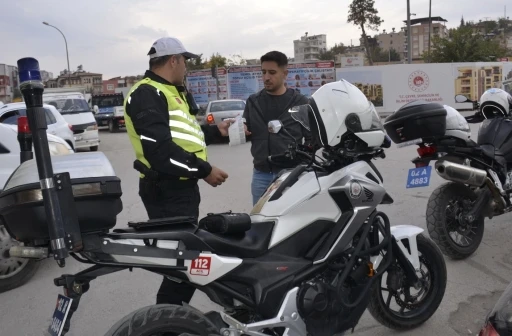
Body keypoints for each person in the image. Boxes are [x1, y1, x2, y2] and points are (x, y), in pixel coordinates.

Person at [124, 36, 230, 306]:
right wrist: (204, 170)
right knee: (184, 263)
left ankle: (168, 319)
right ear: (173, 60)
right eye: (185, 62)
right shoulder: (147, 93)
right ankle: (166, 321)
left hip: (179, 188)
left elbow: (183, 136)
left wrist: (215, 132)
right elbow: (159, 151)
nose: (186, 68)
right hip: (166, 189)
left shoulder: (169, 91)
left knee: (183, 261)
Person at [219, 51, 312, 205]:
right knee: (259, 222)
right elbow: (247, 132)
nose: (266, 77)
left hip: (291, 174)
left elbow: (311, 138)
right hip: (261, 174)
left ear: (285, 74)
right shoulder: (253, 101)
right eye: (263, 72)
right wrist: (239, 129)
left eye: (272, 72)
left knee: (292, 222)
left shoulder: (300, 102)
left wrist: (303, 165)